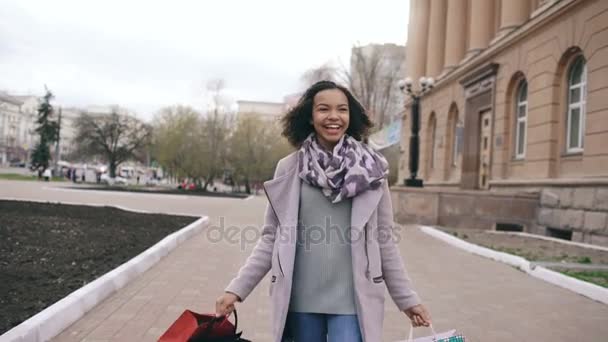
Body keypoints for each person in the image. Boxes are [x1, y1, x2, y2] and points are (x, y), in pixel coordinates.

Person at [215, 81, 431, 342]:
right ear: (310, 116)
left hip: (353, 301)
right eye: (323, 109)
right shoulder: (289, 168)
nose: (333, 117)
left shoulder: (372, 171)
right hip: (300, 300)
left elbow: (385, 243)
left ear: (350, 117)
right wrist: (236, 290)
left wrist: (408, 299)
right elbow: (270, 238)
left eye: (342, 109)